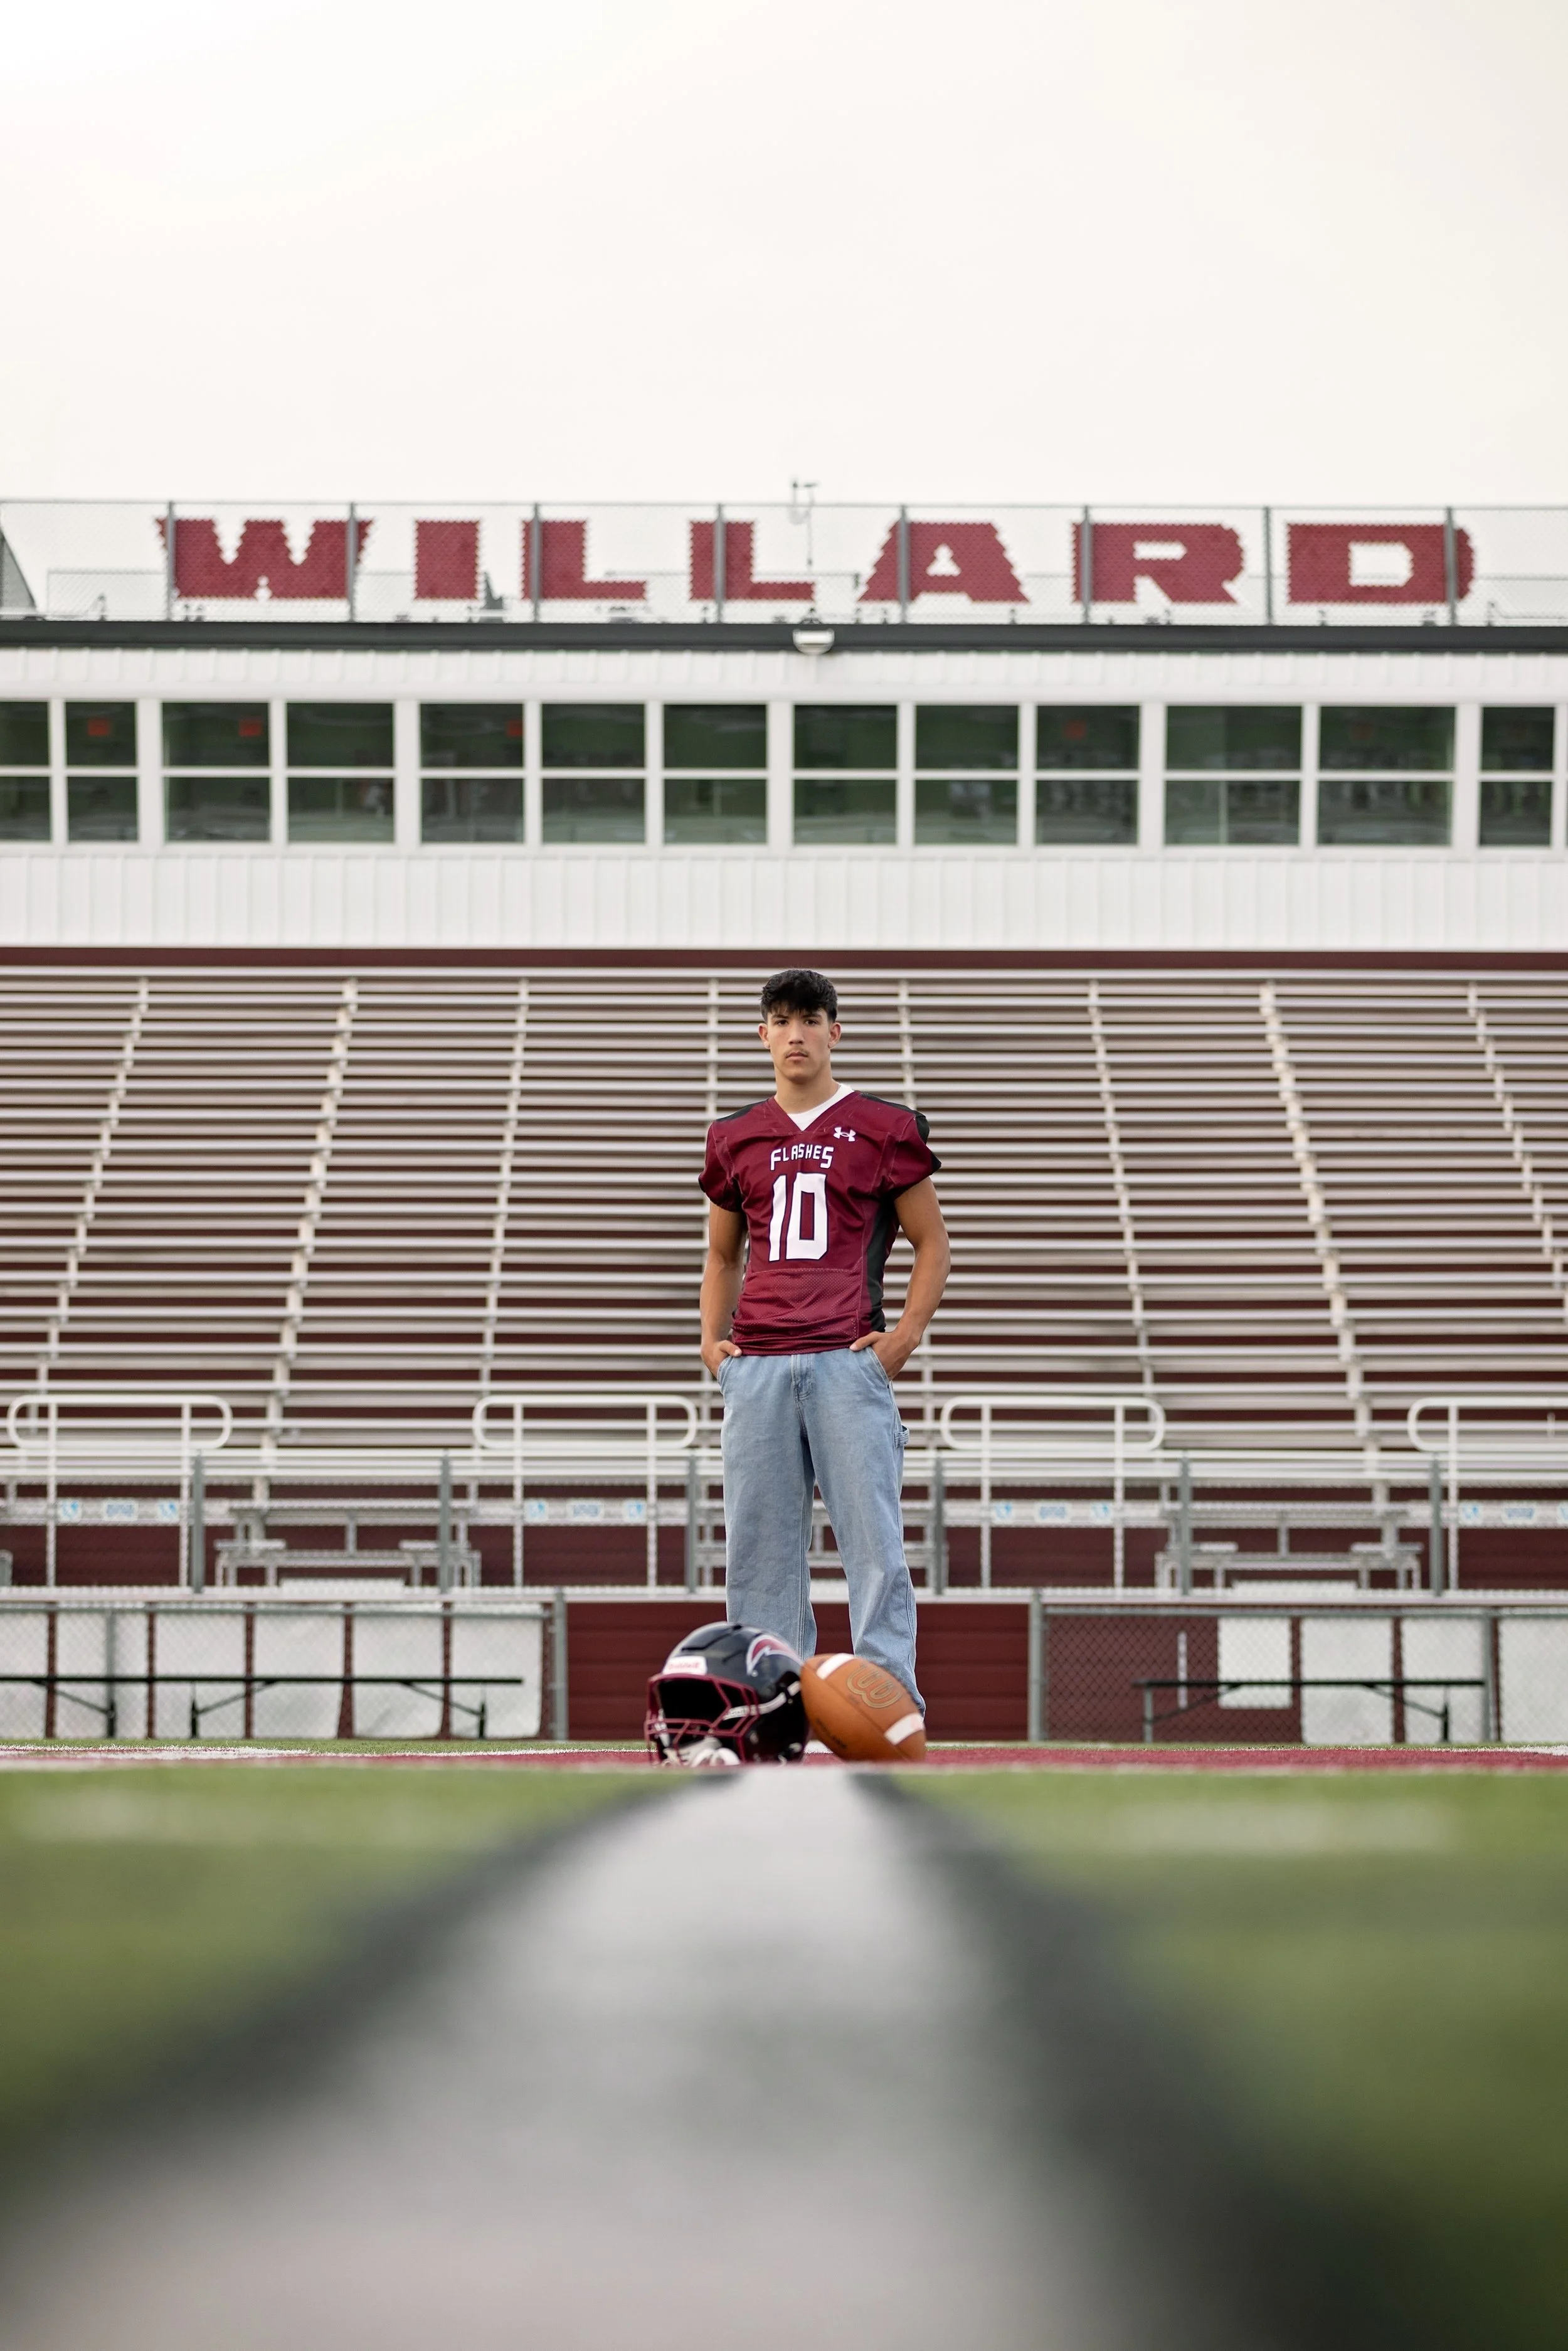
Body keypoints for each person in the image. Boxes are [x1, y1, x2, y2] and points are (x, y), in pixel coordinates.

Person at [698, 968, 950, 1709]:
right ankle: (768, 1698)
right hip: (760, 1363)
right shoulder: (734, 1135)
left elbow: (931, 1241)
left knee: (871, 1544)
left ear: (835, 1031)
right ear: (763, 1034)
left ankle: (886, 1699)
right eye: (781, 1020)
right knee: (760, 1552)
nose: (796, 1033)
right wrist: (711, 1344)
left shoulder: (882, 1125)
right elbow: (721, 1254)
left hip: (847, 1358)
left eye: (810, 1018)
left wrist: (904, 1334)